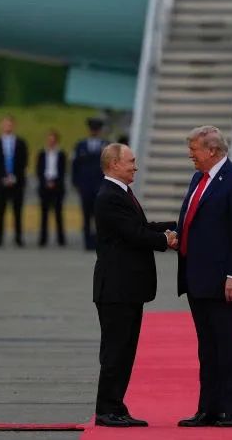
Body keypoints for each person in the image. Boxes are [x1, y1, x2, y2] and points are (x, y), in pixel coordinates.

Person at [176, 126, 232, 429]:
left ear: (211, 150)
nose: (190, 155)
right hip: (196, 277)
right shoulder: (199, 178)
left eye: (194, 149)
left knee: (227, 344)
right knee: (207, 347)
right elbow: (193, 220)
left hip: (223, 280)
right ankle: (208, 409)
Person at [93, 143, 178, 428]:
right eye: (130, 161)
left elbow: (141, 226)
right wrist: (166, 240)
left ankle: (116, 405)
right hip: (116, 289)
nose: (135, 167)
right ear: (114, 164)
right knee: (115, 351)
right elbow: (133, 234)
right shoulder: (109, 196)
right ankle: (107, 410)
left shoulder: (120, 193)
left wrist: (174, 226)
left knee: (125, 351)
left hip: (127, 289)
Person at [0, 115, 28, 247]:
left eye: (10, 124)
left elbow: (23, 162)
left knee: (17, 212)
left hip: (17, 182)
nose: (8, 127)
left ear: (14, 126)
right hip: (2, 183)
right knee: (0, 211)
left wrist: (14, 177)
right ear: (1, 126)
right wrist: (3, 177)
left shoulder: (20, 143)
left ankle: (18, 238)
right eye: (5, 124)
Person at [72, 117, 108, 250]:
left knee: (100, 215)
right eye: (92, 129)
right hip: (86, 185)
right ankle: (87, 241)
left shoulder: (107, 145)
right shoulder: (80, 145)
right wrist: (76, 182)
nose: (94, 131)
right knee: (86, 214)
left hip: (101, 186)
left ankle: (100, 241)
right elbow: (75, 165)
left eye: (96, 129)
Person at [36, 129, 67, 247]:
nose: (51, 142)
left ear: (56, 141)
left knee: (58, 213)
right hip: (45, 185)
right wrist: (45, 182)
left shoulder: (61, 154)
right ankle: (43, 239)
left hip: (57, 186)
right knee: (44, 214)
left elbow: (63, 171)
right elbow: (39, 170)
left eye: (53, 140)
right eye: (49, 140)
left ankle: (61, 239)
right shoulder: (42, 154)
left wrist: (55, 182)